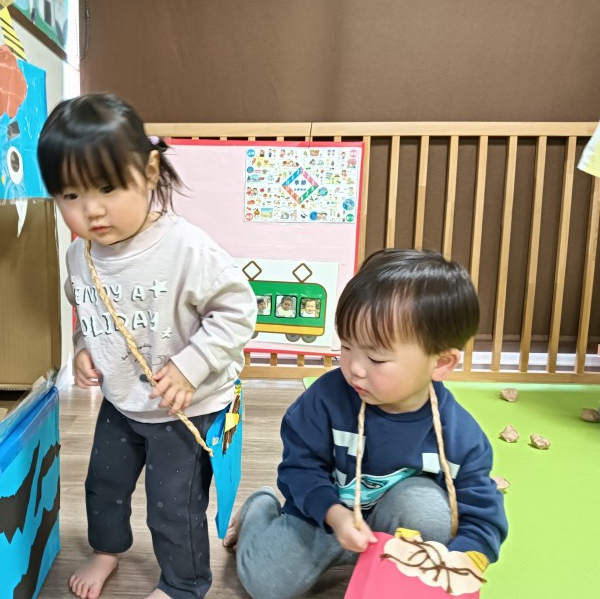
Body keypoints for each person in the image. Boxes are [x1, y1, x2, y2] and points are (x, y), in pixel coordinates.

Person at [37, 93, 257, 599]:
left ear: (150, 172)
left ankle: (184, 583)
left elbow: (238, 309)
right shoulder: (79, 256)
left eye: (108, 187)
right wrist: (83, 347)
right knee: (103, 484)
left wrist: (191, 366)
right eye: (70, 195)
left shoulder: (186, 248)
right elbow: (86, 309)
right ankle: (106, 550)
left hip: (187, 408)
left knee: (172, 505)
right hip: (122, 403)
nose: (92, 209)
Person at [223, 249, 508, 599]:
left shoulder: (459, 435)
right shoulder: (324, 401)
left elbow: (481, 510)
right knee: (266, 585)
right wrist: (334, 514)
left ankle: (381, 565)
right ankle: (259, 509)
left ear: (441, 363)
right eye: (346, 347)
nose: (355, 368)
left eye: (376, 357)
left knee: (431, 513)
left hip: (397, 532)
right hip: (323, 519)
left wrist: (466, 557)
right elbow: (300, 468)